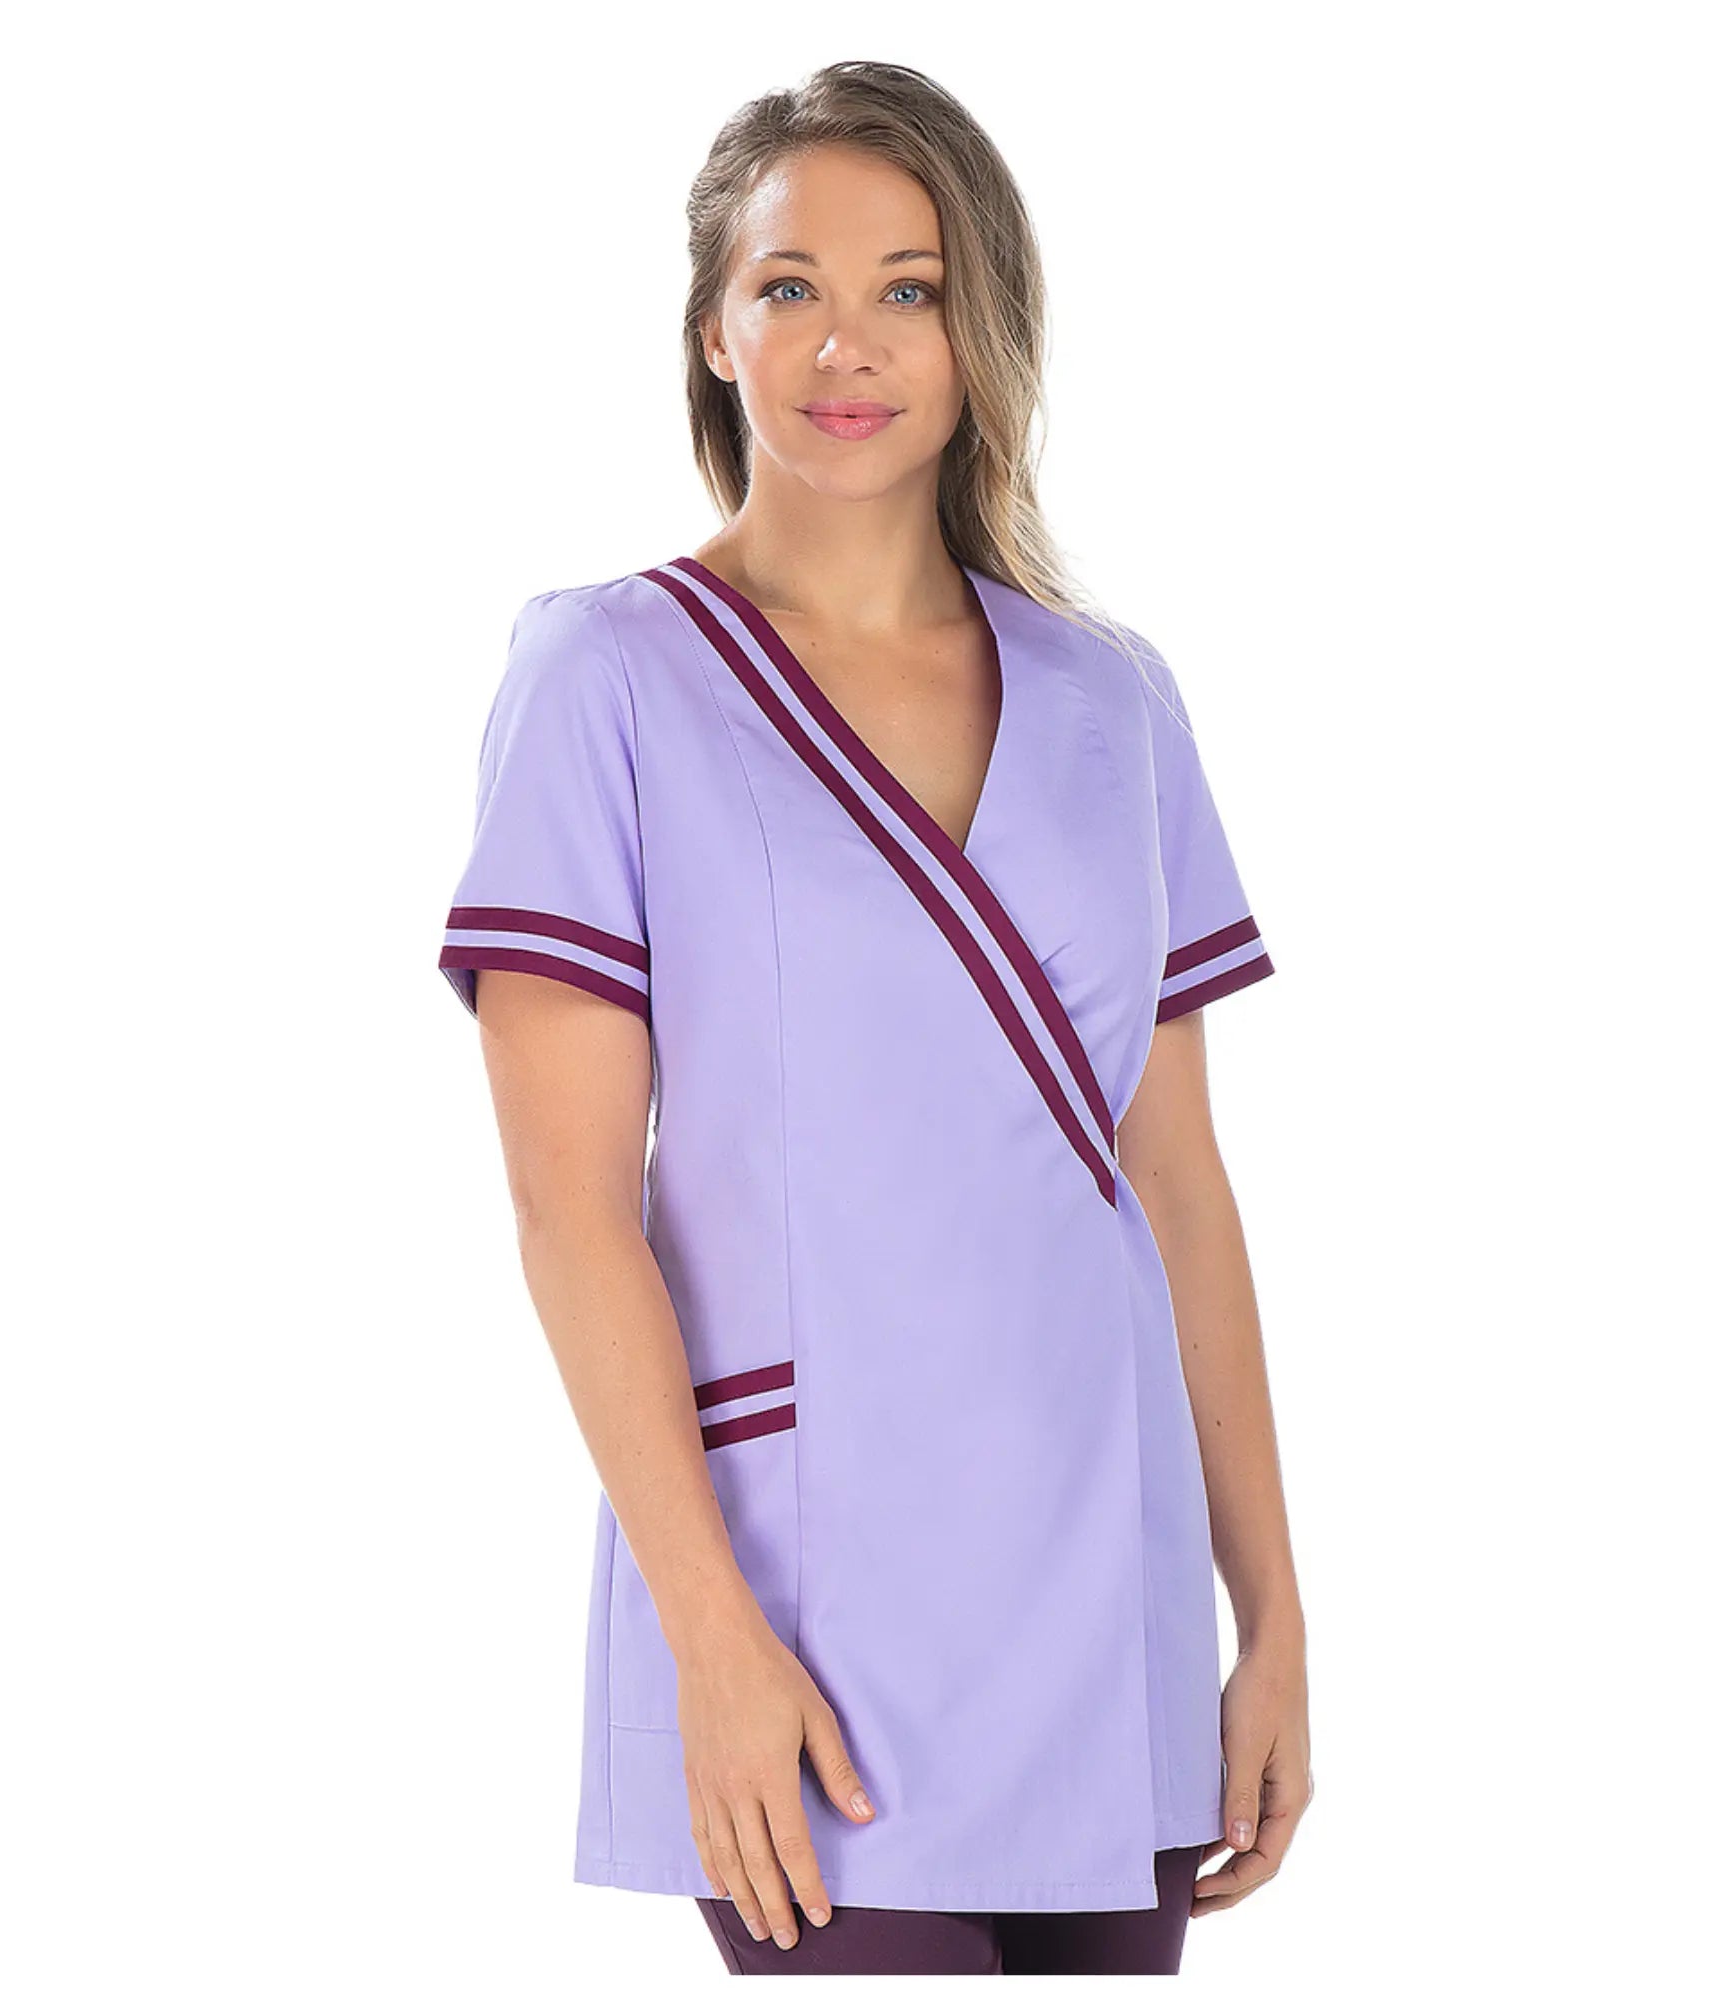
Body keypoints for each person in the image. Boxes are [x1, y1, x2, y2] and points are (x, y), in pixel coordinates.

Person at [436, 60, 1311, 1978]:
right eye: (791, 287)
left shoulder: (1116, 701)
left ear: (982, 330)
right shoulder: (609, 677)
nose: (849, 344)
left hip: (1110, 1599)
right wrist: (709, 1637)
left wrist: (1272, 1621)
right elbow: (571, 1208)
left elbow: (1177, 1186)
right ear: (713, 328)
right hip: (809, 1607)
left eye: (909, 289)